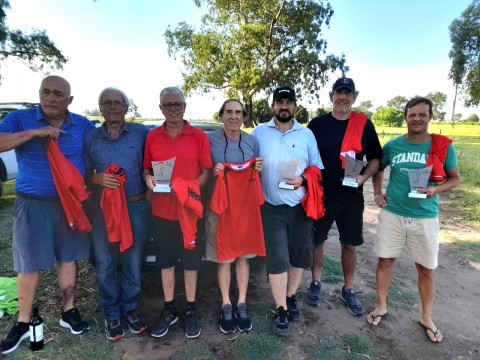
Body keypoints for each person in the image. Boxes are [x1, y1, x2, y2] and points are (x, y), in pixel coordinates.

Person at [0, 75, 93, 355]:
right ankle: (23, 321)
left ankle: (69, 311)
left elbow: (96, 151)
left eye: (58, 94)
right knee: (28, 262)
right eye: (46, 92)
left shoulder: (82, 124)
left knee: (68, 256)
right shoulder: (20, 119)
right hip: (33, 203)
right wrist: (34, 134)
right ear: (39, 94)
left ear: (70, 100)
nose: (51, 98)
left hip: (70, 204)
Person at [369, 96, 460, 343]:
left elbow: (454, 178)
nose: (417, 118)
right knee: (385, 261)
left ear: (430, 117)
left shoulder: (441, 146)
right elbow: (378, 167)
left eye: (422, 114)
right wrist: (378, 193)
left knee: (425, 269)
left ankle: (427, 317)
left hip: (425, 216)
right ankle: (382, 305)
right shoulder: (393, 146)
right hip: (393, 214)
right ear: (406, 117)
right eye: (412, 114)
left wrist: (434, 190)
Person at [251, 85, 323, 337]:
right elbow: (248, 164)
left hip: (299, 206)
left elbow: (316, 167)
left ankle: (290, 297)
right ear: (272, 106)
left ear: (295, 106)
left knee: (299, 255)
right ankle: (281, 308)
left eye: (288, 102)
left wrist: (302, 180)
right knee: (278, 258)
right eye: (279, 102)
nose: (284, 106)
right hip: (271, 207)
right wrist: (254, 168)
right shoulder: (259, 133)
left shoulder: (307, 134)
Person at [306, 77, 382, 315]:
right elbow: (305, 154)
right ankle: (315, 282)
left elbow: (375, 159)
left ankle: (348, 288)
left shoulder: (364, 124)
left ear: (354, 97)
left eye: (347, 93)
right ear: (331, 96)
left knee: (349, 244)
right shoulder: (317, 124)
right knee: (316, 240)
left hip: (351, 196)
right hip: (322, 194)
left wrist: (363, 178)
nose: (343, 97)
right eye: (339, 92)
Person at [143, 86, 212, 339]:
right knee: (166, 263)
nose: (173, 109)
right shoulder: (152, 136)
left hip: (190, 212)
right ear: (160, 108)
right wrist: (148, 177)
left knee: (192, 264)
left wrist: (187, 188)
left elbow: (206, 172)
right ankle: (170, 309)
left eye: (177, 104)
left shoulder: (198, 137)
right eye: (167, 105)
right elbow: (145, 169)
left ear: (185, 107)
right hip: (162, 212)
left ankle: (191, 310)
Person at [83, 87, 150, 341]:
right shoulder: (90, 137)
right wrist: (96, 178)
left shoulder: (141, 133)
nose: (113, 107)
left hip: (136, 205)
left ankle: (130, 309)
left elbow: (155, 161)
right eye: (107, 103)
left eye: (118, 103)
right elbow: (84, 175)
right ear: (100, 107)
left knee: (133, 261)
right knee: (106, 261)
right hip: (103, 209)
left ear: (126, 107)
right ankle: (111, 312)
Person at [205, 99, 265, 334]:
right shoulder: (209, 139)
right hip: (219, 207)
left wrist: (258, 169)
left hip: (245, 210)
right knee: (224, 257)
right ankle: (226, 304)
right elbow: (200, 167)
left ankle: (241, 302)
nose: (233, 116)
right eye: (229, 112)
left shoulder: (252, 141)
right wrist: (213, 170)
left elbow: (258, 175)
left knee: (243, 256)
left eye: (238, 112)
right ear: (221, 116)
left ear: (244, 117)